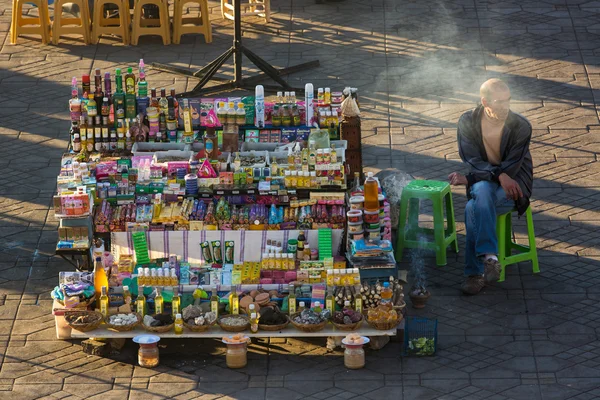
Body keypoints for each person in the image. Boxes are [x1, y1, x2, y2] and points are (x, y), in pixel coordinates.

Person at [448, 78, 533, 295]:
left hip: (514, 184)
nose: (505, 107)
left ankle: (474, 273)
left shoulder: (521, 126)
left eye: (508, 101)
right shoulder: (468, 121)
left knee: (472, 207)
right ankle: (490, 258)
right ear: (485, 101)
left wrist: (472, 179)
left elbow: (513, 166)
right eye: (499, 102)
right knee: (481, 194)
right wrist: (496, 174)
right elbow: (471, 159)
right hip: (485, 181)